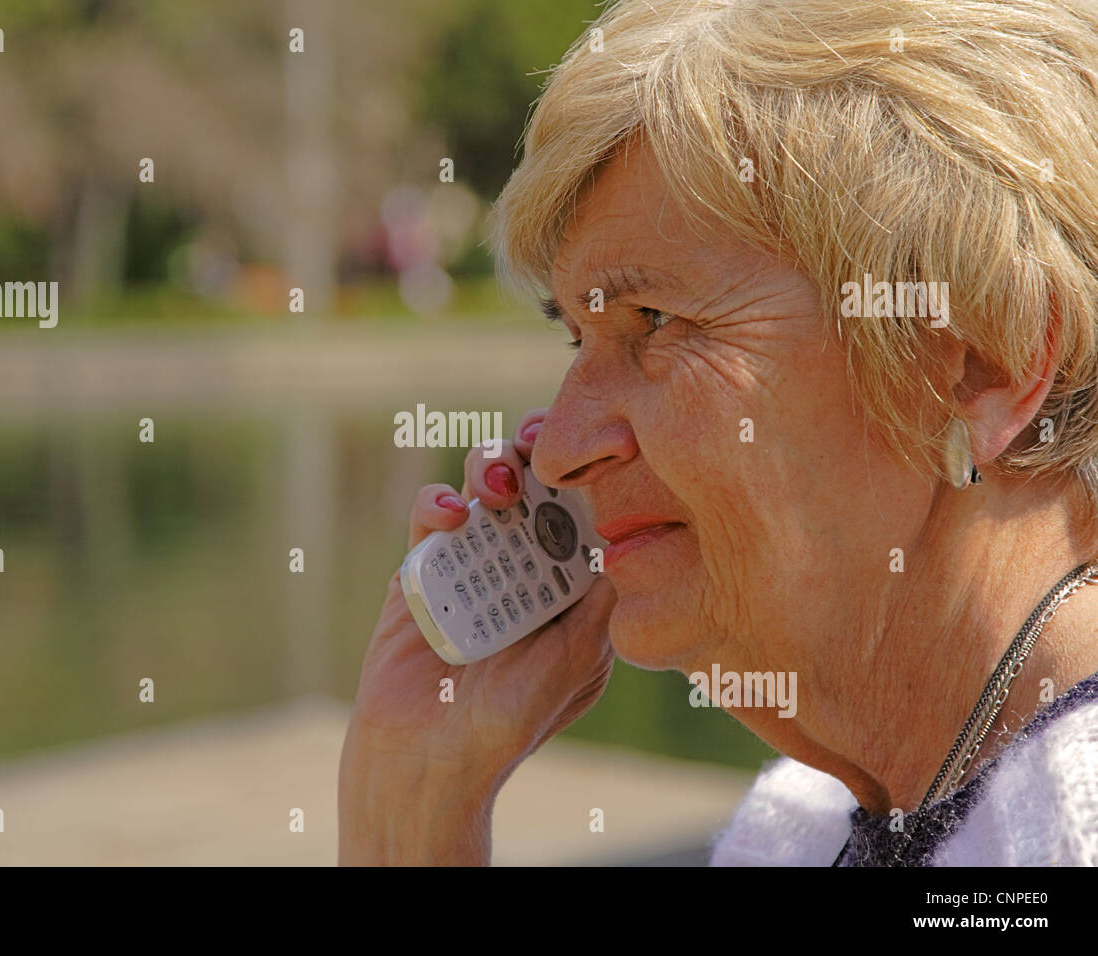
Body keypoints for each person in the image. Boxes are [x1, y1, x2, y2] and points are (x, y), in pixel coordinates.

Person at [339, 0, 1098, 865]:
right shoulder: (803, 824)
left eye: (655, 320)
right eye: (577, 337)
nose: (559, 448)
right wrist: (415, 803)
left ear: (978, 366)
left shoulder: (1073, 823)